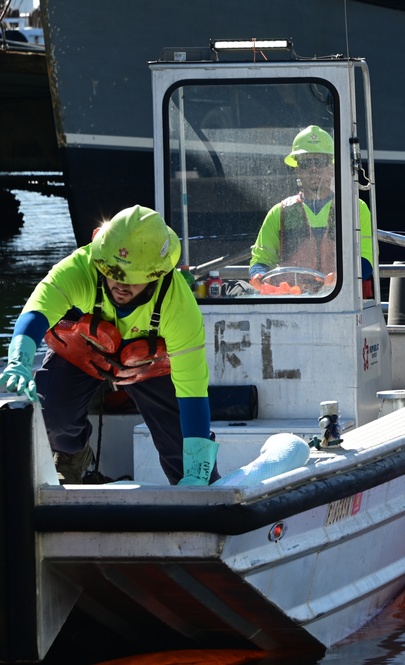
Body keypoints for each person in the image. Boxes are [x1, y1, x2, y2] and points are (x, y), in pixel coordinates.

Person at [0, 205, 217, 486]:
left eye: (135, 276)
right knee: (53, 417)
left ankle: (196, 486)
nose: (121, 285)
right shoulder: (80, 267)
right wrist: (18, 359)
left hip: (149, 365)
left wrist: (198, 470)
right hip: (84, 350)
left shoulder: (179, 307)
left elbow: (193, 393)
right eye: (113, 271)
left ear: (157, 274)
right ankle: (71, 455)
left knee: (187, 456)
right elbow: (37, 311)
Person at [249, 125, 373, 292]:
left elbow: (366, 258)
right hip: (292, 302)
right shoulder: (279, 212)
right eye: (306, 163)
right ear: (297, 170)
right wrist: (258, 275)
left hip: (341, 299)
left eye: (320, 162)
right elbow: (261, 259)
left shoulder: (356, 209)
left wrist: (341, 279)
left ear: (331, 168)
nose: (314, 168)